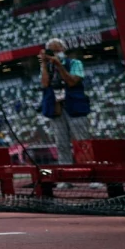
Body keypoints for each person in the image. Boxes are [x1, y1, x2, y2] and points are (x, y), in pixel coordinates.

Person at [39, 37, 91, 166]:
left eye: (57, 50)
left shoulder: (75, 63)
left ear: (64, 50)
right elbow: (44, 84)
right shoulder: (47, 67)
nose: (55, 54)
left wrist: (59, 65)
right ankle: (66, 171)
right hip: (56, 108)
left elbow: (72, 82)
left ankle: (88, 168)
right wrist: (44, 64)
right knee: (61, 144)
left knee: (82, 141)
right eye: (51, 51)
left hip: (75, 106)